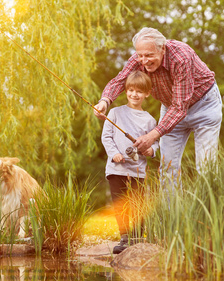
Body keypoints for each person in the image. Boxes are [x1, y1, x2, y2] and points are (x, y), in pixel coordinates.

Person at [94, 27, 222, 191]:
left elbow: (180, 107)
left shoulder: (181, 58)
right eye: (140, 55)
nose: (144, 60)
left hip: (204, 106)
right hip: (171, 108)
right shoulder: (138, 59)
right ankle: (171, 215)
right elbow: (120, 80)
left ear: (163, 48)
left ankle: (209, 214)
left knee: (206, 167)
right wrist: (105, 101)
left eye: (149, 55)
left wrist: (152, 135)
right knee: (168, 167)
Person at [101, 70, 159, 254]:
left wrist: (151, 150)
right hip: (116, 169)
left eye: (139, 91)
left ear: (147, 93)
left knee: (138, 204)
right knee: (120, 203)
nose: (134, 94)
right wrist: (114, 154)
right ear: (126, 91)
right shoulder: (115, 112)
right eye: (131, 90)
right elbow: (106, 136)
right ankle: (124, 239)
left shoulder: (150, 120)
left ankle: (137, 238)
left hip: (138, 171)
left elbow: (156, 142)